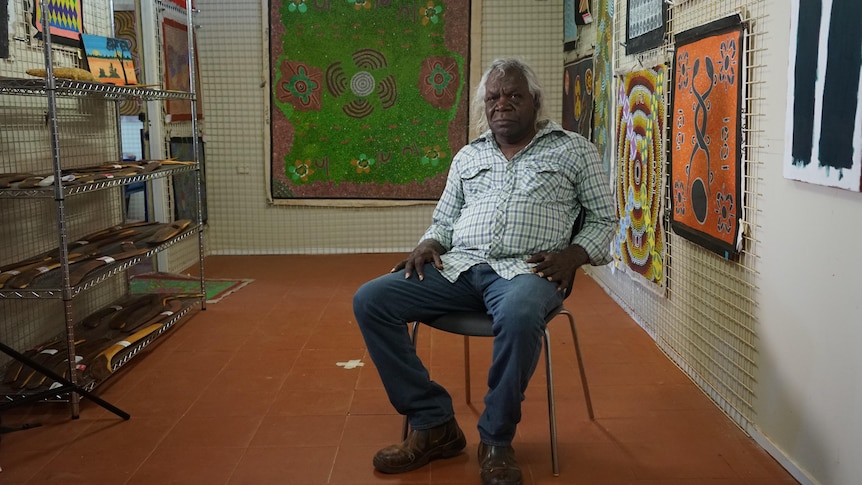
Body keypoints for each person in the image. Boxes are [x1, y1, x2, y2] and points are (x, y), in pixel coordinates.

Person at [353, 58, 616, 485]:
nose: (502, 104)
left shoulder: (573, 149)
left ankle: (496, 439)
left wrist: (573, 255)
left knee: (517, 315)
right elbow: (443, 220)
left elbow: (605, 220)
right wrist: (428, 243)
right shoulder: (468, 155)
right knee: (371, 299)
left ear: (534, 100)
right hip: (460, 267)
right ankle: (433, 422)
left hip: (529, 271)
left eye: (513, 95)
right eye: (493, 97)